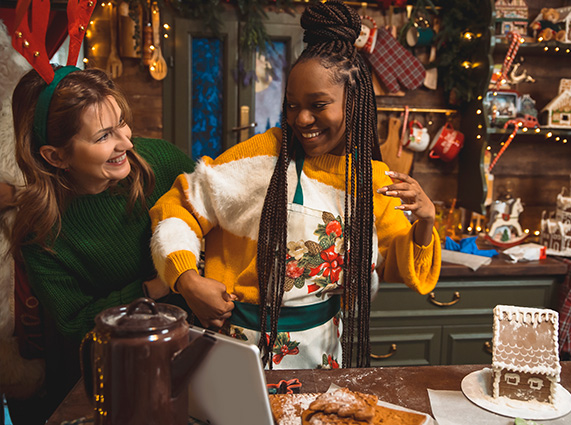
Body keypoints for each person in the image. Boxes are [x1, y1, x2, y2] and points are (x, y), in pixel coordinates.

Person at [150, 0, 441, 370]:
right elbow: (177, 208)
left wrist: (426, 223)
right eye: (291, 105)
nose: (301, 119)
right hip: (238, 347)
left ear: (354, 103)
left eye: (318, 105)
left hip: (321, 352)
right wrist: (187, 280)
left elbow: (399, 267)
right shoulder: (260, 157)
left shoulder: (375, 182)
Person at [8, 66, 195, 423]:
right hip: (115, 378)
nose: (126, 142)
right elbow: (76, 325)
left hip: (194, 348)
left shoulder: (162, 162)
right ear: (55, 157)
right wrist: (156, 285)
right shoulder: (40, 232)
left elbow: (215, 215)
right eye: (104, 136)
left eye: (122, 122)